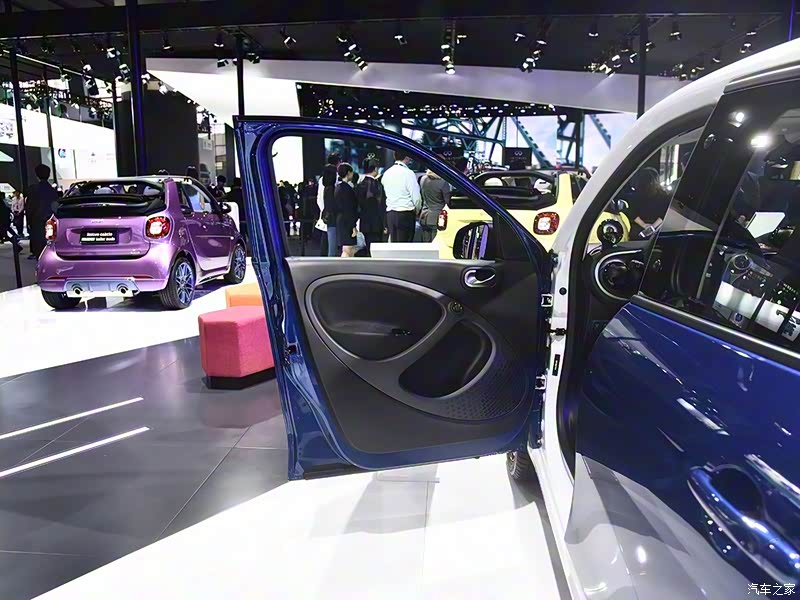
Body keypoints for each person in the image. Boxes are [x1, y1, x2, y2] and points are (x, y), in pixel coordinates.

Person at [381, 148, 421, 242]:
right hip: (405, 214)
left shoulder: (386, 173)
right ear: (407, 157)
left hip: (390, 215)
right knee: (405, 245)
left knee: (394, 244)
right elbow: (416, 198)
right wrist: (417, 210)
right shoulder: (409, 173)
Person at [25, 164, 58, 260]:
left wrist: (29, 221)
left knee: (39, 245)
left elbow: (30, 207)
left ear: (37, 175)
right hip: (50, 219)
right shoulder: (52, 191)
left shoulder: (33, 189)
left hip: (37, 220)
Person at [355, 158, 386, 256]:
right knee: (377, 252)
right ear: (375, 169)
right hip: (377, 224)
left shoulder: (359, 185)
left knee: (368, 249)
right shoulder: (377, 185)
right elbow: (381, 206)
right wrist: (385, 224)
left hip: (365, 223)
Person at [316, 153, 341, 256]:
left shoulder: (322, 179)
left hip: (325, 213)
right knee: (332, 244)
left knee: (326, 241)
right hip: (333, 215)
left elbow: (319, 198)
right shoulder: (336, 179)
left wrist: (324, 210)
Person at [419, 168, 451, 242]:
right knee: (435, 244)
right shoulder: (443, 182)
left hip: (424, 216)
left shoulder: (423, 179)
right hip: (436, 218)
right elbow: (448, 201)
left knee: (425, 243)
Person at [334, 163, 359, 257]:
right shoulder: (346, 189)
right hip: (347, 222)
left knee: (347, 248)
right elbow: (349, 208)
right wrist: (353, 225)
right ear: (348, 173)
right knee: (348, 249)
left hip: (341, 220)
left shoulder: (338, 187)